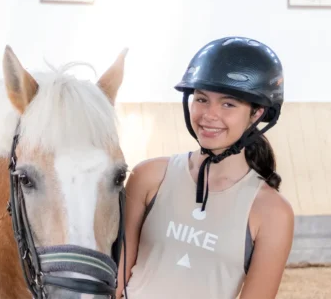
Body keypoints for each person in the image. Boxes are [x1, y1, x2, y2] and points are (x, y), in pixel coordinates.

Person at [116, 36, 294, 299]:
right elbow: (117, 282)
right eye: (201, 99)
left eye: (228, 104)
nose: (209, 115)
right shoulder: (148, 177)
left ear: (257, 113)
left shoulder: (273, 213)